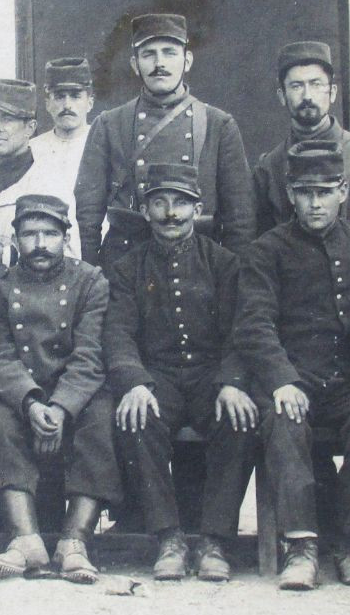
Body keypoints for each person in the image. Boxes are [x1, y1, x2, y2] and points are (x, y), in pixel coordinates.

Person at [237, 142, 350, 589]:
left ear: (343, 191)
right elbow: (255, 324)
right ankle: (301, 547)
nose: (315, 202)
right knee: (285, 424)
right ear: (290, 194)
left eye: (325, 192)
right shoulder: (267, 250)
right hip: (294, 378)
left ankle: (346, 542)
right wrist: (282, 380)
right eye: (305, 192)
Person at [105, 163, 255, 582]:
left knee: (240, 418)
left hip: (211, 375)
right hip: (158, 377)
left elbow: (242, 331)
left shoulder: (224, 264)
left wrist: (232, 381)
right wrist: (135, 382)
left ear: (198, 208)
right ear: (144, 209)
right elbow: (117, 334)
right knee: (136, 419)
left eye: (180, 203)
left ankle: (214, 541)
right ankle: (168, 538)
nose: (170, 214)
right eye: (159, 203)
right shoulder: (128, 267)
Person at [0, 194, 117, 584]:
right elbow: (0, 355)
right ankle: (26, 540)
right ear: (15, 240)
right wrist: (31, 402)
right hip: (21, 393)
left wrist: (60, 407)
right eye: (30, 234)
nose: (40, 244)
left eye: (50, 234)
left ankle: (75, 540)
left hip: (76, 392)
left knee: (101, 418)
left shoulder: (90, 281)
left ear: (66, 237)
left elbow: (90, 355)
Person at [75, 13, 254, 265]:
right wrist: (92, 274)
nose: (160, 63)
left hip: (199, 263)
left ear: (187, 60)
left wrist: (234, 277)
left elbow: (240, 219)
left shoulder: (219, 124)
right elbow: (88, 213)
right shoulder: (109, 124)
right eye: (148, 54)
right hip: (126, 261)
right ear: (135, 64)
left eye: (169, 52)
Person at [251, 41, 350, 254]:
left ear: (332, 92)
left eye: (316, 84)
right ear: (282, 96)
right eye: (296, 86)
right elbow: (261, 252)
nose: (307, 95)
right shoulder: (269, 169)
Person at [0, 79, 80, 267]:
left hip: (26, 294)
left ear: (30, 128)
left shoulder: (49, 183)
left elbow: (71, 260)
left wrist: (6, 256)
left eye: (7, 119)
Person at [27, 57, 95, 217]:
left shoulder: (106, 145)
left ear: (90, 103)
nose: (67, 105)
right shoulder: (32, 149)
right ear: (47, 104)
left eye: (75, 96)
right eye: (59, 96)